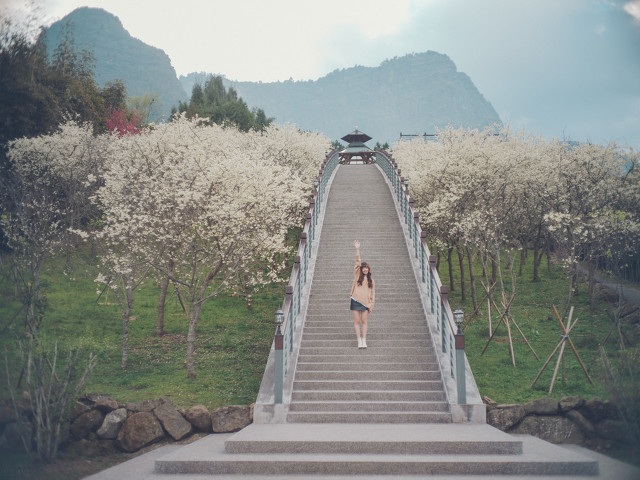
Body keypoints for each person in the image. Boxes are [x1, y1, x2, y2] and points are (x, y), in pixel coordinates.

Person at [350, 240, 375, 349]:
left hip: (365, 303)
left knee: (364, 321)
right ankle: (359, 340)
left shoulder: (371, 280)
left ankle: (364, 340)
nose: (365, 269)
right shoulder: (357, 276)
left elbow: (373, 294)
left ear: (368, 269)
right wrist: (357, 249)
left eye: (366, 268)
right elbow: (357, 262)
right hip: (355, 300)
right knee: (357, 321)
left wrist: (371, 305)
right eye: (363, 268)